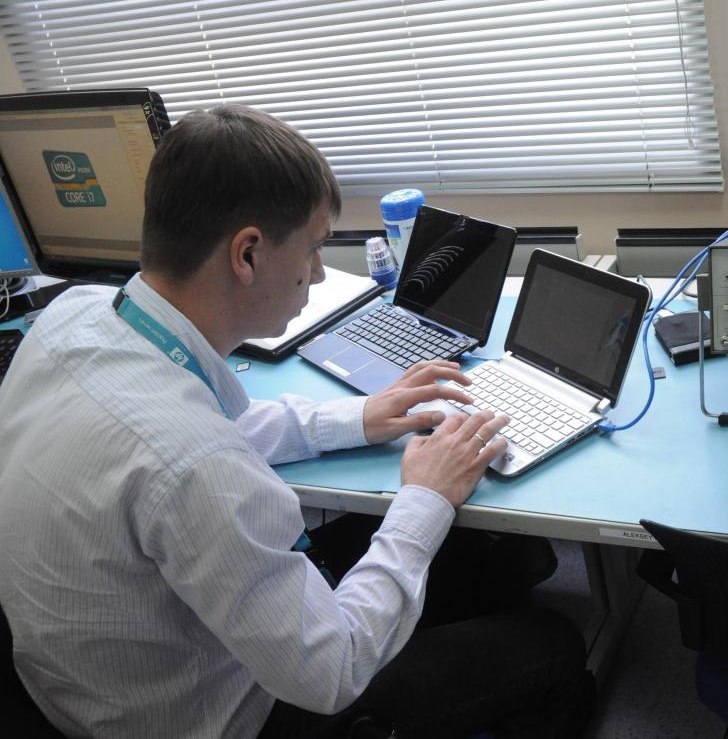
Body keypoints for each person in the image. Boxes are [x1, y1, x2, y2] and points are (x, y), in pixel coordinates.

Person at [0, 105, 593, 738]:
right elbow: (334, 672)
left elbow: (200, 423)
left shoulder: (80, 313)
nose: (318, 272)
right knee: (551, 642)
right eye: (312, 249)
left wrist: (357, 417)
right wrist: (425, 497)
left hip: (89, 678)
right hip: (218, 715)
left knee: (495, 556)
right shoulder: (196, 469)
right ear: (248, 254)